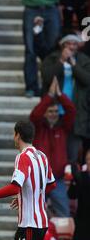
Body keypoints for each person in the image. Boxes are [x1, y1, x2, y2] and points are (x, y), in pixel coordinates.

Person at [30, 77, 76, 217]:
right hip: (39, 180)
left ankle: (60, 239)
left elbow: (71, 110)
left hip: (58, 180)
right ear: (45, 113)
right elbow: (35, 115)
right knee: (34, 215)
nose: (53, 114)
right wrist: (49, 96)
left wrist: (60, 95)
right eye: (50, 111)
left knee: (64, 214)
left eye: (56, 111)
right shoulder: (38, 128)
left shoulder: (63, 128)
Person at [42, 34, 90, 163]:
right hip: (54, 112)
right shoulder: (52, 58)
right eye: (68, 44)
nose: (71, 47)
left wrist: (74, 66)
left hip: (76, 114)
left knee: (72, 154)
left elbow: (87, 80)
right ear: (62, 45)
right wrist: (61, 61)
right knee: (53, 152)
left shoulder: (84, 60)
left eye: (74, 44)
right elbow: (47, 77)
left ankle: (70, 181)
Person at [22, 0, 63, 97]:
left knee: (53, 50)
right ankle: (31, 87)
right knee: (30, 50)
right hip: (32, 8)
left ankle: (51, 85)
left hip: (52, 7)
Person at [68, 150, 90, 240]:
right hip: (82, 224)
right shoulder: (81, 176)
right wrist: (75, 180)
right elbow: (71, 195)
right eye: (88, 159)